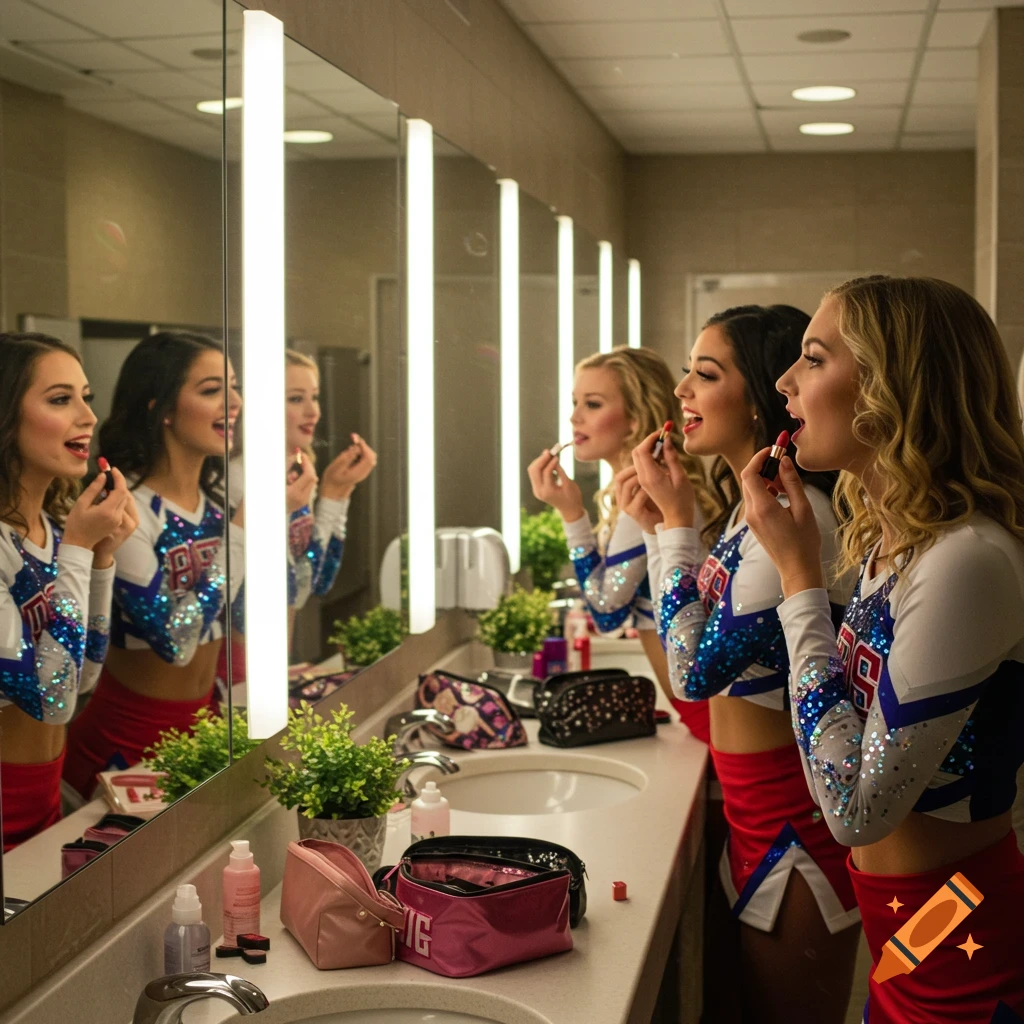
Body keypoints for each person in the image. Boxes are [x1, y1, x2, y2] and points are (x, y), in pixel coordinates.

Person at [741, 276, 1024, 1023]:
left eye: (814, 357)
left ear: (895, 385)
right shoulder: (896, 542)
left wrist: (799, 579)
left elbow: (853, 808)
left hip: (963, 943)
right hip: (904, 926)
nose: (784, 382)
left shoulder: (967, 557)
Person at [631, 306, 860, 1023]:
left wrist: (672, 527)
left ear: (761, 397)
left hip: (795, 823)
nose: (682, 392)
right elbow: (688, 653)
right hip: (751, 808)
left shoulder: (798, 517)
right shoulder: (748, 513)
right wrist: (663, 529)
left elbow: (692, 672)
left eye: (706, 374)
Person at [63, 332, 243, 799]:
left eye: (234, 386)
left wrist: (321, 509)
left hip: (204, 727)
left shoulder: (219, 509)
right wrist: (241, 539)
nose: (234, 402)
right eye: (211, 390)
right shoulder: (125, 511)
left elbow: (289, 595)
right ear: (161, 408)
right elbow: (174, 640)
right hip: (127, 743)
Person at [527, 346, 712, 743]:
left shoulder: (648, 491)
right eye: (575, 402)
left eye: (592, 404)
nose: (575, 416)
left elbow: (607, 611)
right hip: (697, 694)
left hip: (704, 702)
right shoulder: (647, 485)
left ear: (633, 421)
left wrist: (572, 515)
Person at [0, 333, 137, 848]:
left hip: (44, 794)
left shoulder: (53, 529)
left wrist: (99, 559)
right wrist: (79, 549)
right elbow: (52, 700)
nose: (87, 416)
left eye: (86, 397)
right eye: (61, 399)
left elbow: (83, 680)